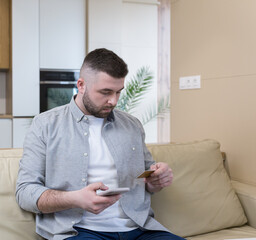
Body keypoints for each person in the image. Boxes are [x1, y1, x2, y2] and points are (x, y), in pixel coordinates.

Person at [16, 48, 184, 240]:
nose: (113, 101)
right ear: (81, 85)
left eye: (118, 92)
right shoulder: (45, 124)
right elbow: (25, 192)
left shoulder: (132, 125)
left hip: (140, 229)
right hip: (80, 232)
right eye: (105, 92)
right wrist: (75, 198)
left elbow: (146, 179)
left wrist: (157, 180)